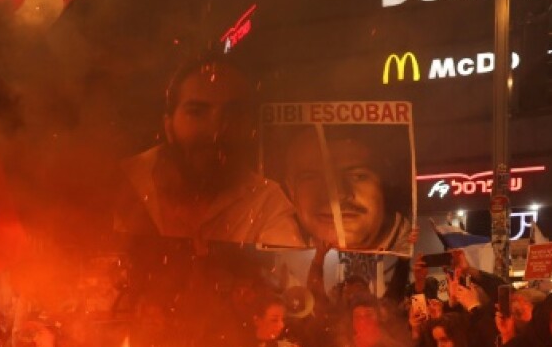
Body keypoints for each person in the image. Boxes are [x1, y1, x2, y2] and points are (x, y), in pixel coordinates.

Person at [120, 57, 303, 249]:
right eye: (197, 112)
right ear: (168, 126)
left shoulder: (266, 203)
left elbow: (287, 272)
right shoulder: (123, 181)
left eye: (232, 114)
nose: (215, 130)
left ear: (250, 128)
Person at [282, 127, 412, 256]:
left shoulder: (418, 254)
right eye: (312, 178)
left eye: (357, 176)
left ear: (385, 186)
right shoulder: (283, 252)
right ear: (291, 190)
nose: (337, 195)